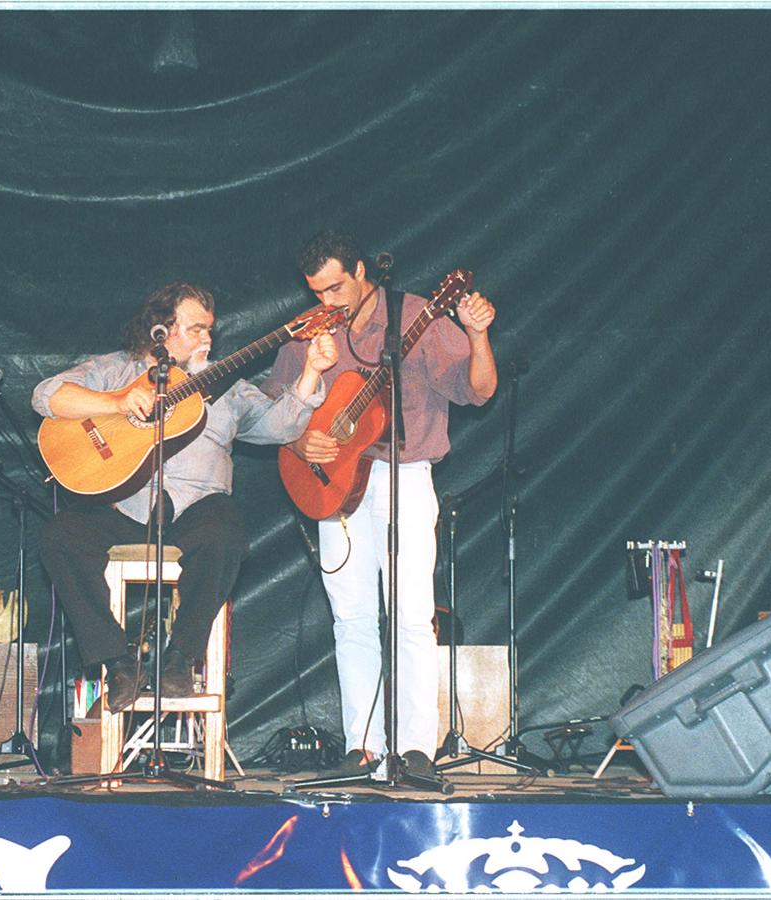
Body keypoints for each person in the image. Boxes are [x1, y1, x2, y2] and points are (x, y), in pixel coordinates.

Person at [35, 281, 336, 709]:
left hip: (199, 508)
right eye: (196, 329)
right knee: (61, 537)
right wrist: (117, 402)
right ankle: (117, 664)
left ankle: (179, 660)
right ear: (162, 330)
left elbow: (281, 427)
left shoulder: (226, 385)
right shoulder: (116, 369)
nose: (207, 339)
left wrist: (311, 373)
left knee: (225, 536)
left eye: (210, 330)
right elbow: (46, 395)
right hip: (126, 505)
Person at [263, 231, 496, 777]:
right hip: (333, 484)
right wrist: (298, 441)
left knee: (412, 615)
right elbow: (272, 406)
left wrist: (479, 336)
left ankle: (416, 748)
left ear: (363, 271)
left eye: (337, 287)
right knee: (351, 617)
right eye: (318, 292)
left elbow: (478, 390)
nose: (329, 302)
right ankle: (361, 746)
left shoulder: (416, 315)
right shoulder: (315, 328)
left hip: (405, 475)